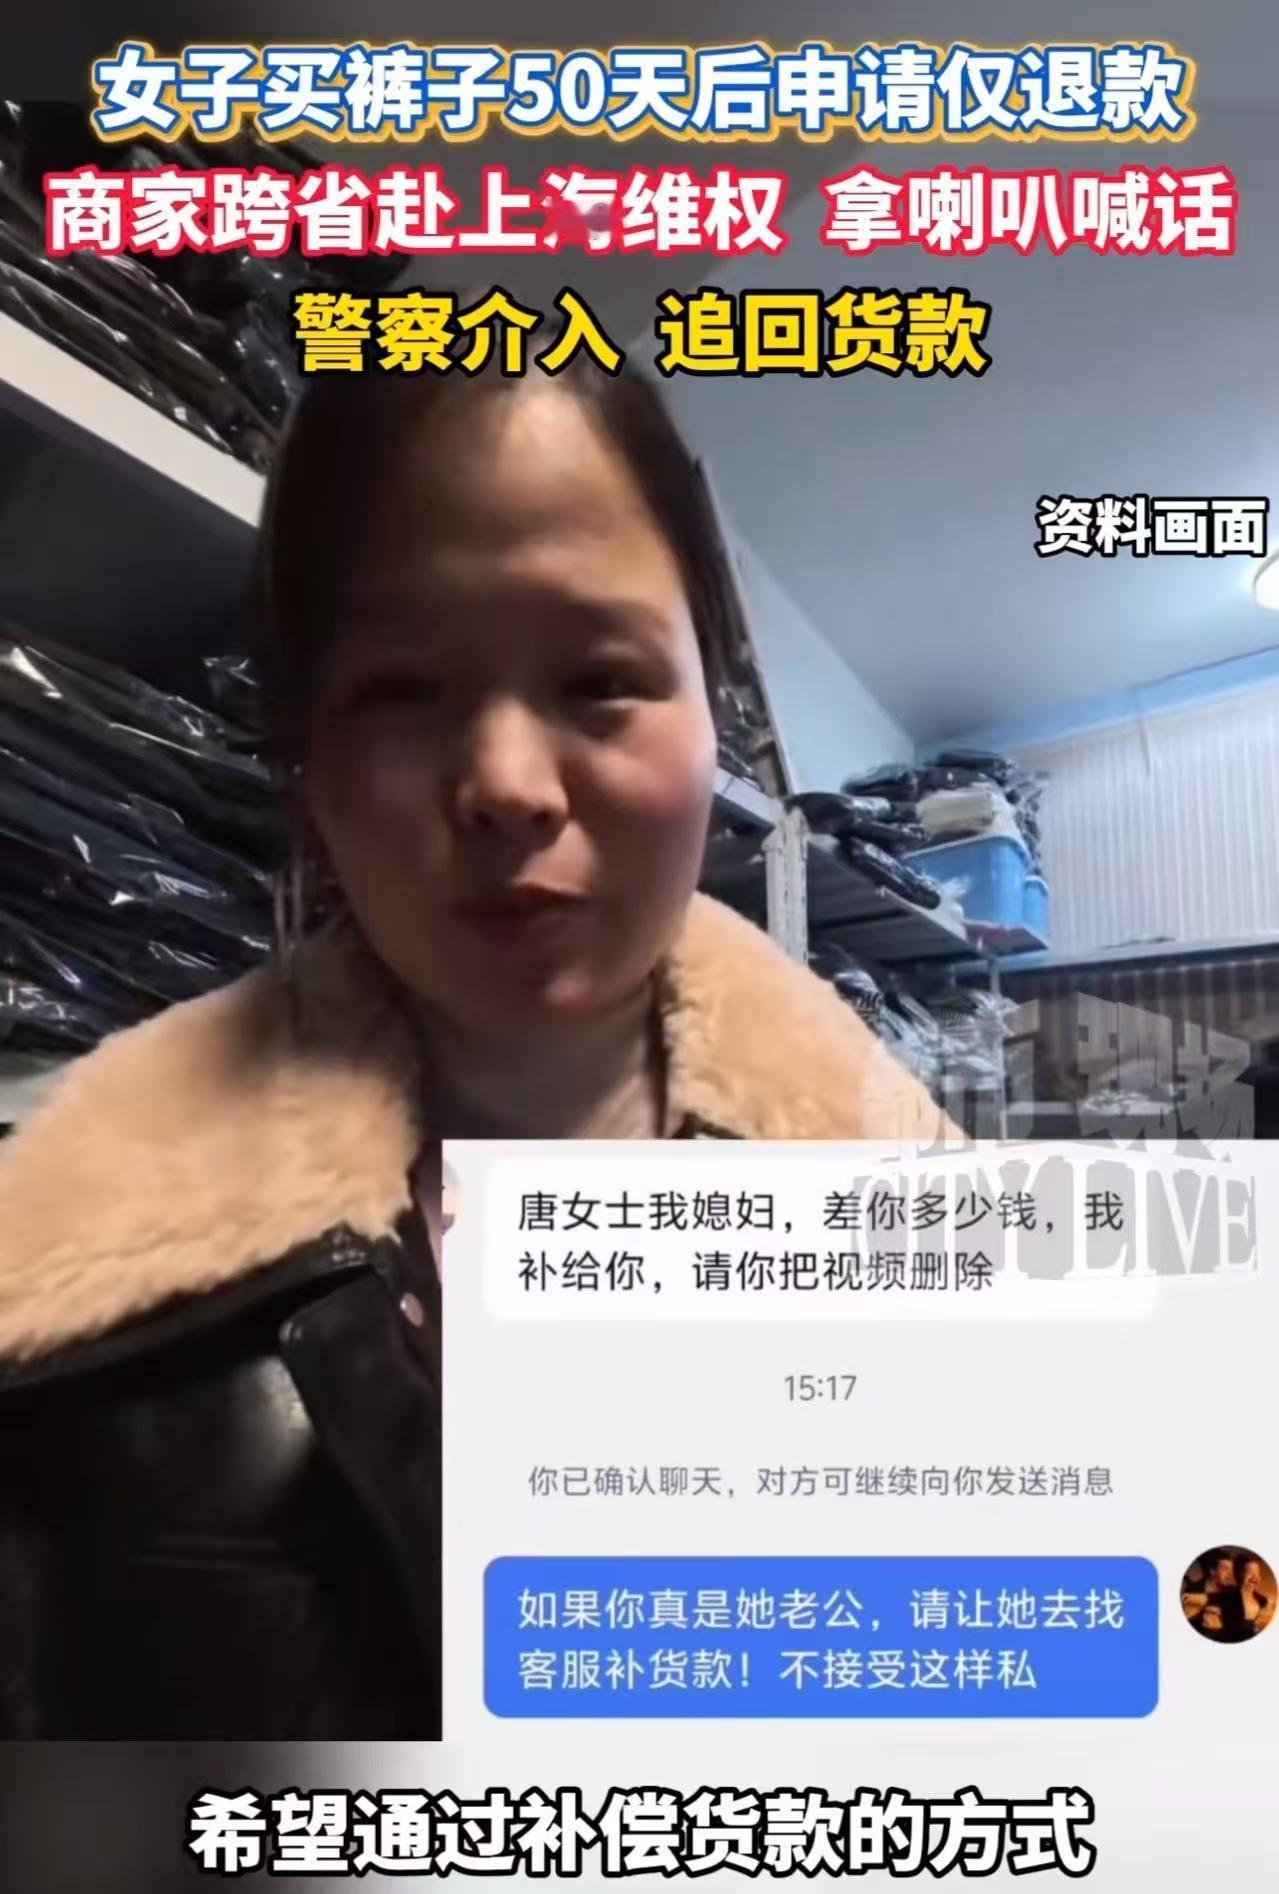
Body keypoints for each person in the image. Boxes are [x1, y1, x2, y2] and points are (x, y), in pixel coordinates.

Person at [0, 360, 955, 1739]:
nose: (506, 783)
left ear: (716, 714)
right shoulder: (57, 1303)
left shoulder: (938, 1240)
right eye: (402, 688)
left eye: (600, 678)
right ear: (306, 754)